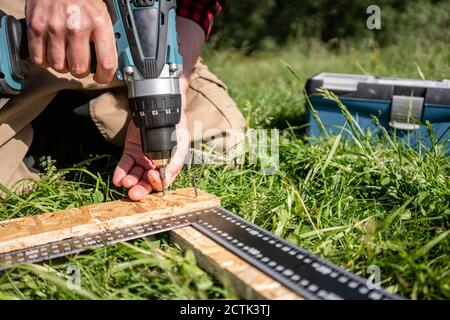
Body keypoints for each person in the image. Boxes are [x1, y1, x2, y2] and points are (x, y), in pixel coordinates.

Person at [0, 0, 246, 201]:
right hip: (31, 13)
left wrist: (173, 93)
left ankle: (63, 117)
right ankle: (45, 113)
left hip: (128, 37)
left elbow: (195, 8)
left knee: (223, 143)